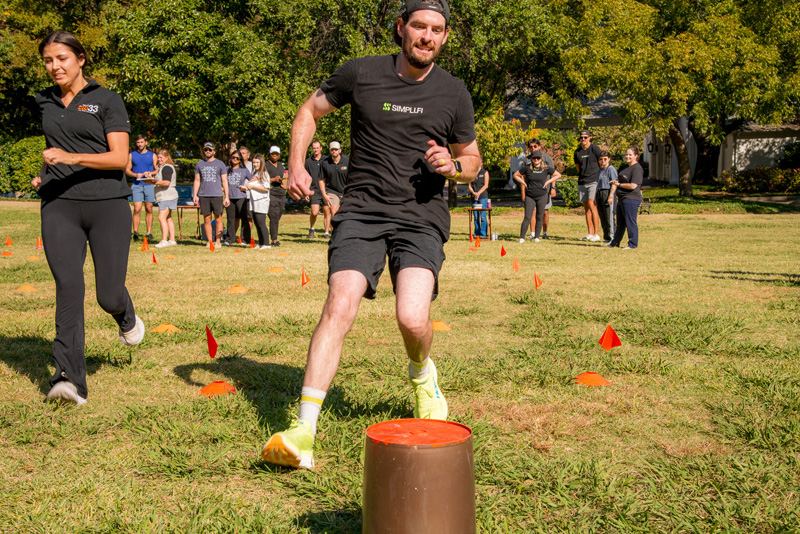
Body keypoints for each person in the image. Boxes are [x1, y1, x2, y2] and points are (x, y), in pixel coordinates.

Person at [261, 0, 481, 470]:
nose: (426, 36)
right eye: (418, 26)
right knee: (340, 304)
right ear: (401, 27)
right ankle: (303, 430)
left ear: (445, 37)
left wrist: (454, 166)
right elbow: (308, 111)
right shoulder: (360, 73)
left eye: (436, 29)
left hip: (421, 216)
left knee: (412, 318)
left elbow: (472, 159)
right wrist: (296, 164)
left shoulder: (454, 91)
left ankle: (422, 374)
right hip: (361, 211)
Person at [32, 30, 144, 405]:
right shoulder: (44, 101)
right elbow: (55, 147)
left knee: (108, 294)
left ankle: (125, 315)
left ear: (81, 59)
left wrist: (71, 158)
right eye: (48, 60)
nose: (55, 66)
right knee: (68, 285)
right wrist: (46, 173)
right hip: (59, 203)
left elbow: (119, 158)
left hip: (107, 203)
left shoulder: (107, 100)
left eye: (62, 58)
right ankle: (69, 379)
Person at [513, 151, 560, 243]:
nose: (536, 160)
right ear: (531, 159)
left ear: (541, 159)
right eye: (534, 158)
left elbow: (558, 175)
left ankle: (537, 237)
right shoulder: (527, 168)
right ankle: (522, 237)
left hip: (542, 195)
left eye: (538, 158)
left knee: (539, 216)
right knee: (527, 217)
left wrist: (548, 182)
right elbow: (515, 175)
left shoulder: (546, 168)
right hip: (530, 196)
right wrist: (524, 183)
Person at [192, 142, 230, 248]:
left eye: (209, 149)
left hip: (217, 195)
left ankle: (218, 241)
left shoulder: (220, 164)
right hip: (204, 195)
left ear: (214, 151)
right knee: (207, 218)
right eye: (205, 150)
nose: (207, 151)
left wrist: (227, 196)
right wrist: (195, 195)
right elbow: (197, 180)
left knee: (218, 218)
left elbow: (225, 181)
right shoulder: (199, 164)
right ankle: (210, 241)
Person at [608, 146, 643, 250]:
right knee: (620, 223)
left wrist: (619, 185)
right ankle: (615, 243)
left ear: (636, 156)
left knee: (630, 222)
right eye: (626, 154)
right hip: (622, 198)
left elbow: (633, 185)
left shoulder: (637, 168)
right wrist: (615, 183)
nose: (627, 156)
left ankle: (632, 244)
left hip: (631, 199)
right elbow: (620, 181)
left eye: (630, 155)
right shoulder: (625, 167)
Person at [125, 134, 157, 241]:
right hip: (137, 185)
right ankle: (135, 233)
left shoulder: (152, 155)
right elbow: (127, 170)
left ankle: (148, 233)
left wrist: (150, 173)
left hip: (149, 185)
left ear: (146, 143)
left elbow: (157, 169)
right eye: (138, 142)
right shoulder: (132, 155)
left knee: (149, 208)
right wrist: (135, 175)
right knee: (137, 209)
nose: (140, 144)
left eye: (142, 142)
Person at [573, 129, 603, 242]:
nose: (583, 139)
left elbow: (601, 163)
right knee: (586, 208)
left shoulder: (595, 149)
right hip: (582, 182)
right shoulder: (577, 152)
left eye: (585, 137)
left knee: (592, 204)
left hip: (593, 181)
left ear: (589, 138)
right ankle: (590, 233)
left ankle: (597, 233)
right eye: (581, 137)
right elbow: (578, 168)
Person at [527, 138, 555, 239]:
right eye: (531, 147)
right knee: (532, 212)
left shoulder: (547, 158)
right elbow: (523, 176)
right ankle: (533, 233)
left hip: (545, 190)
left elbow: (553, 174)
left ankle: (544, 233)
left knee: (545, 211)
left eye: (535, 146)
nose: (533, 148)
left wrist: (553, 188)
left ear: (539, 146)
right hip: (531, 191)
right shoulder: (527, 159)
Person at [224, 149, 252, 246]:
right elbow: (222, 181)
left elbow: (252, 181)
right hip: (229, 198)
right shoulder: (226, 169)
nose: (235, 159)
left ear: (240, 160)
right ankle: (230, 239)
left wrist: (246, 188)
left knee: (244, 218)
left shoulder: (244, 170)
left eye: (237, 158)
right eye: (233, 157)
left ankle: (245, 239)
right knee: (230, 219)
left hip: (241, 197)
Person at [152, 149, 178, 247]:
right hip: (168, 195)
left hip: (167, 196)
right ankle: (172, 240)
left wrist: (153, 182)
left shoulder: (167, 167)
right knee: (168, 218)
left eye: (161, 157)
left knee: (161, 217)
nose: (159, 159)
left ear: (167, 157)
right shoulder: (162, 167)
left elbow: (166, 182)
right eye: (158, 157)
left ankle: (164, 240)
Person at [245, 153, 271, 249]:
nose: (255, 164)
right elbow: (253, 186)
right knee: (256, 222)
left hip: (261, 201)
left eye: (257, 162)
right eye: (254, 162)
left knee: (261, 223)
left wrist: (252, 186)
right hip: (254, 201)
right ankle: (261, 243)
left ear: (261, 163)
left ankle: (267, 244)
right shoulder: (254, 173)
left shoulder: (264, 174)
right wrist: (246, 188)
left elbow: (266, 188)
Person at [319, 141, 348, 223]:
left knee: (346, 214)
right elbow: (321, 180)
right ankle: (335, 231)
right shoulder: (325, 163)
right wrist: (324, 195)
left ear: (340, 150)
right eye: (332, 150)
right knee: (334, 213)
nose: (334, 151)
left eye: (336, 149)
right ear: (330, 151)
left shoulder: (347, 161)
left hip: (345, 191)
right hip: (332, 191)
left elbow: (353, 177)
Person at [305, 140, 328, 239]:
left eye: (317, 148)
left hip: (326, 189)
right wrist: (306, 192)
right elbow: (306, 177)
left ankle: (326, 233)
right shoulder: (308, 162)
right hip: (314, 190)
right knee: (314, 212)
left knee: (327, 211)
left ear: (321, 148)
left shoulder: (327, 160)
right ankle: (312, 229)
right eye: (314, 148)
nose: (315, 150)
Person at [265, 146, 286, 247]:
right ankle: (274, 240)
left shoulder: (281, 165)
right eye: (273, 154)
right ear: (269, 154)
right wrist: (273, 179)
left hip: (281, 193)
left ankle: (274, 236)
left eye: (276, 154)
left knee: (278, 215)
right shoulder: (265, 165)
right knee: (273, 216)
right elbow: (261, 179)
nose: (274, 156)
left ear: (279, 155)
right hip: (271, 193)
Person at [596, 150, 617, 242]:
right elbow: (597, 183)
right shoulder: (600, 170)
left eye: (605, 159)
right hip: (599, 192)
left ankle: (613, 237)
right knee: (602, 216)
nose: (603, 161)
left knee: (609, 216)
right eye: (601, 159)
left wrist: (610, 196)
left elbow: (614, 184)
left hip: (607, 192)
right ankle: (607, 237)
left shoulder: (611, 169)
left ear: (609, 159)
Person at [468, 166, 489, 238]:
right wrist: (474, 193)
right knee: (476, 217)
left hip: (483, 197)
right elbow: (469, 186)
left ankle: (483, 234)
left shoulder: (485, 172)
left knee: (483, 216)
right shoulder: (472, 172)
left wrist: (478, 193)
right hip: (474, 197)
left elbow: (486, 185)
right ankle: (477, 233)